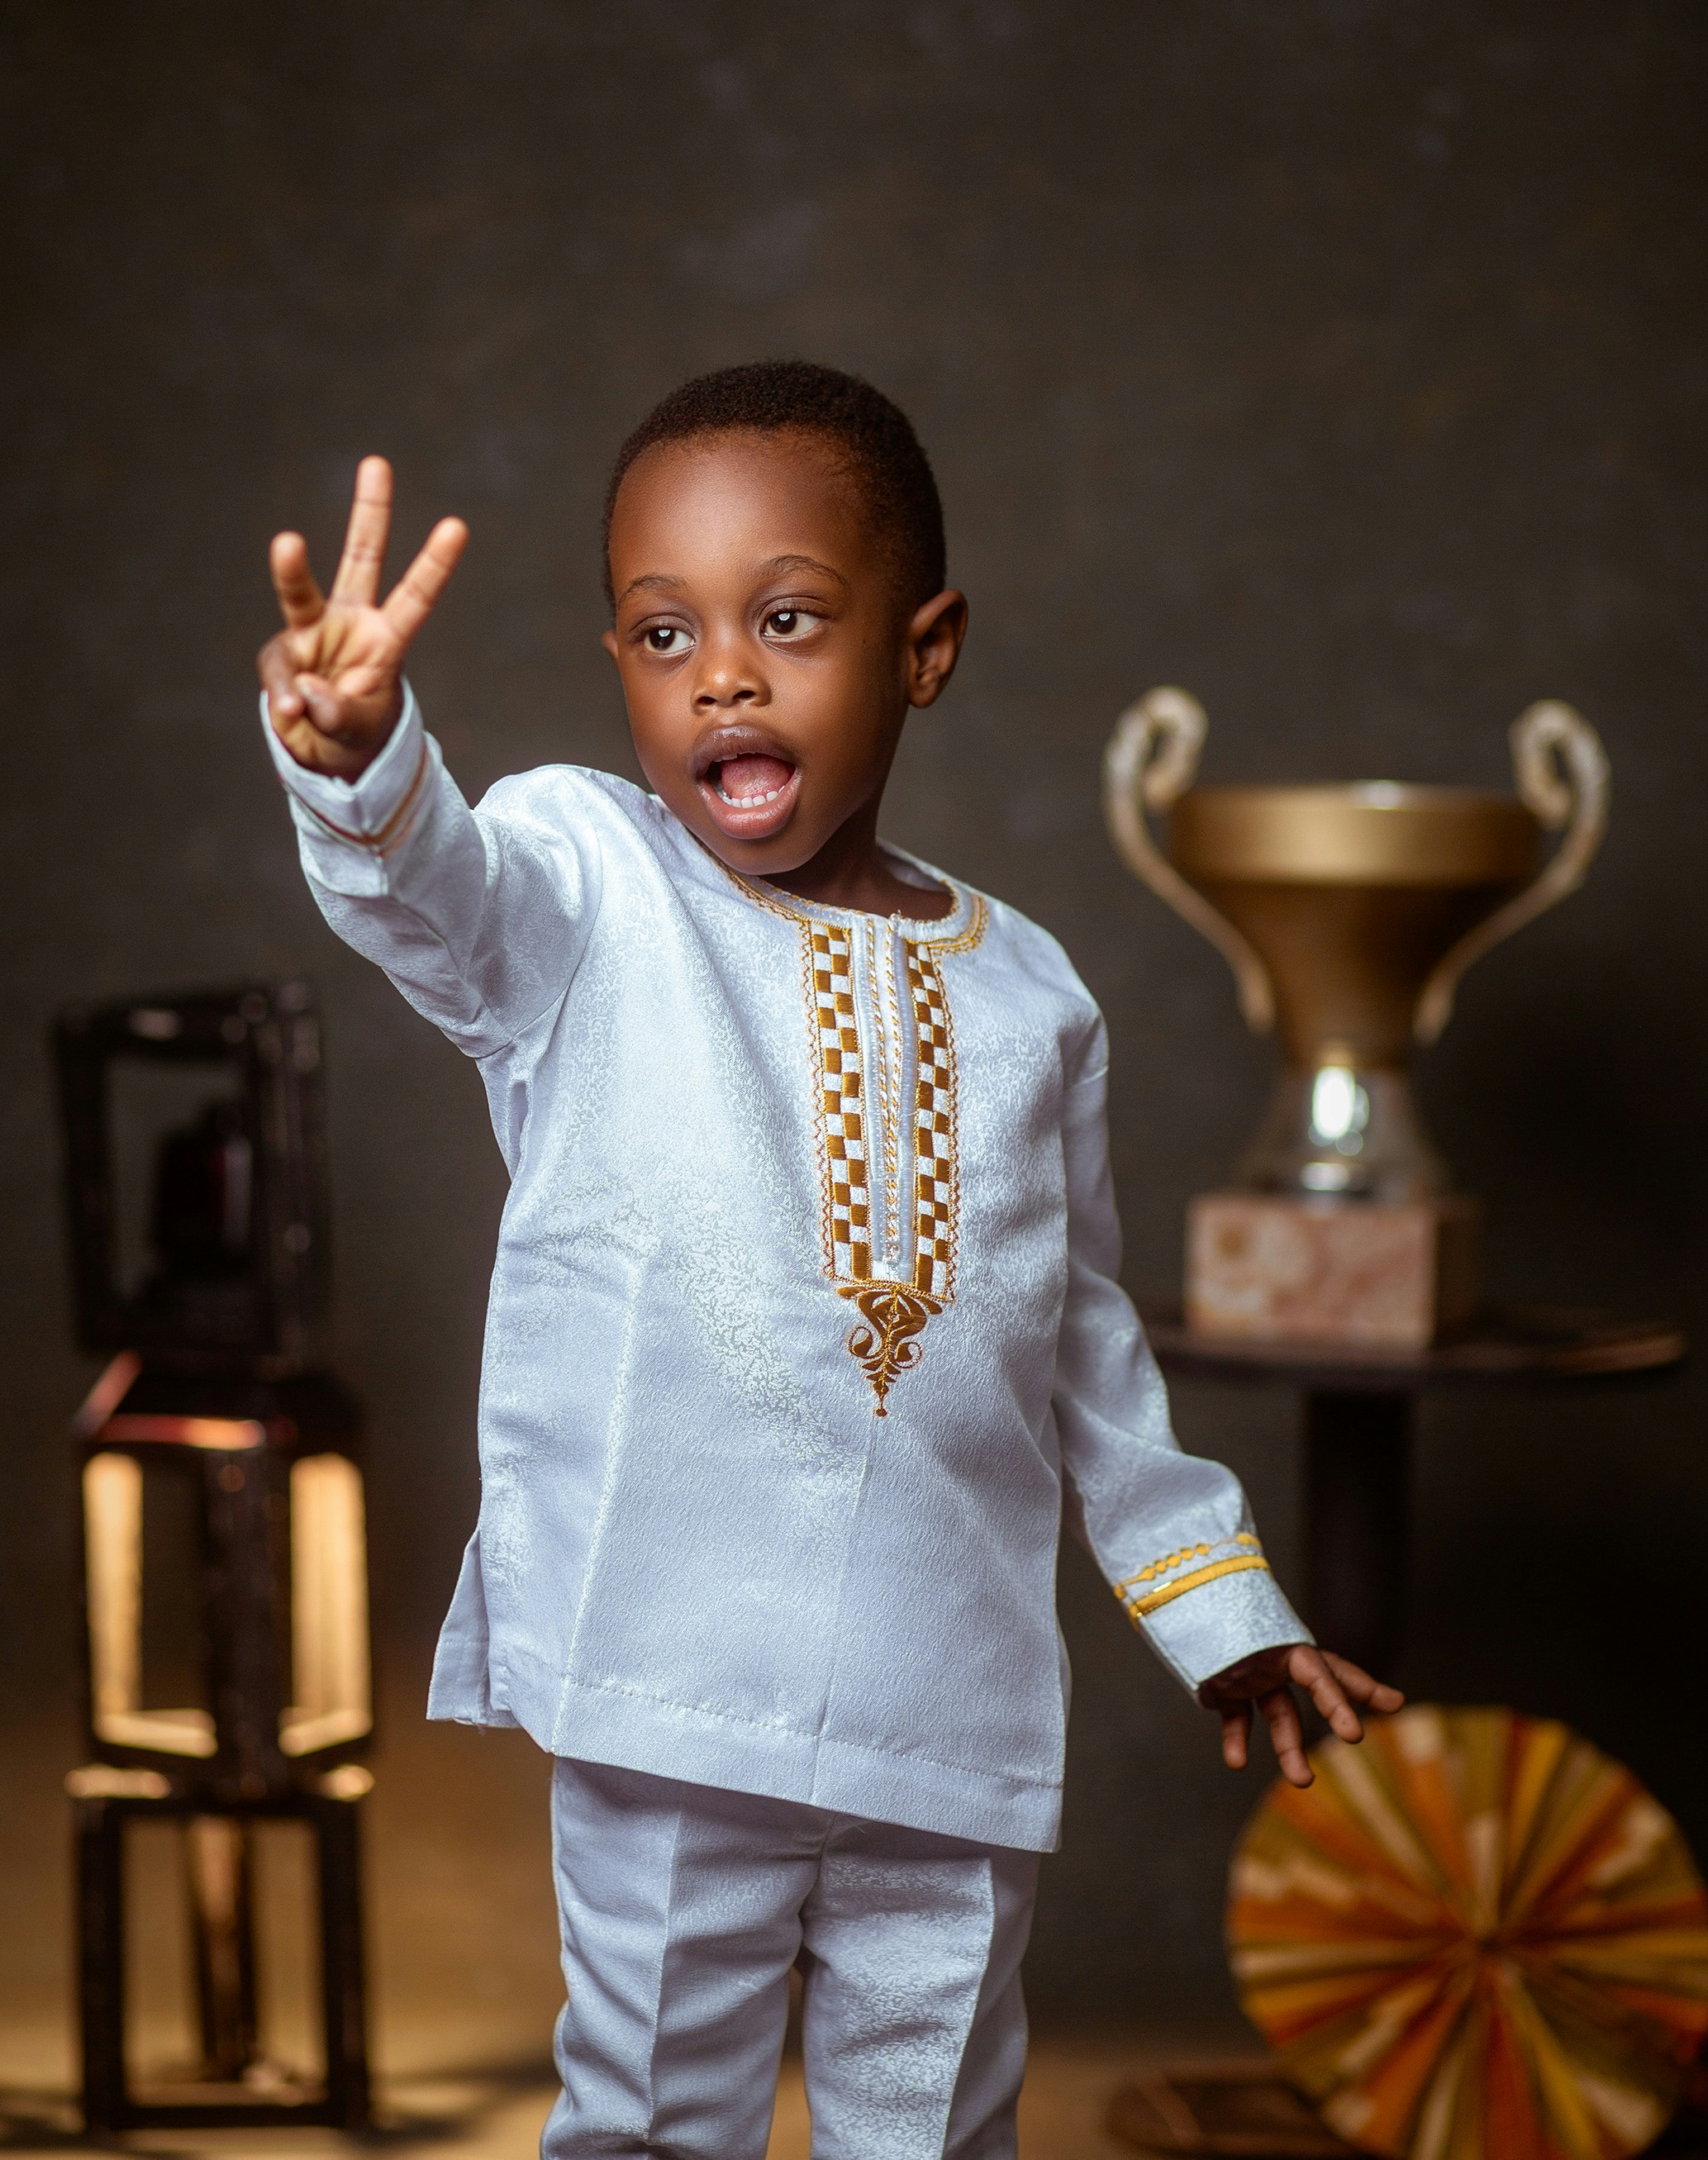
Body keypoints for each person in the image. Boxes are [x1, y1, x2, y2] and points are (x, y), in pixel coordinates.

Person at [256, 362, 1401, 2159]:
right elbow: (435, 902)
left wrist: (1220, 1613)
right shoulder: (583, 888)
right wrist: (356, 762)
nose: (720, 671)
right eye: (659, 631)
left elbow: (1084, 1349)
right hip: (663, 1678)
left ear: (923, 646)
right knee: (647, 2118)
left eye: (785, 618)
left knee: (934, 2128)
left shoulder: (1031, 996)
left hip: (942, 1715)